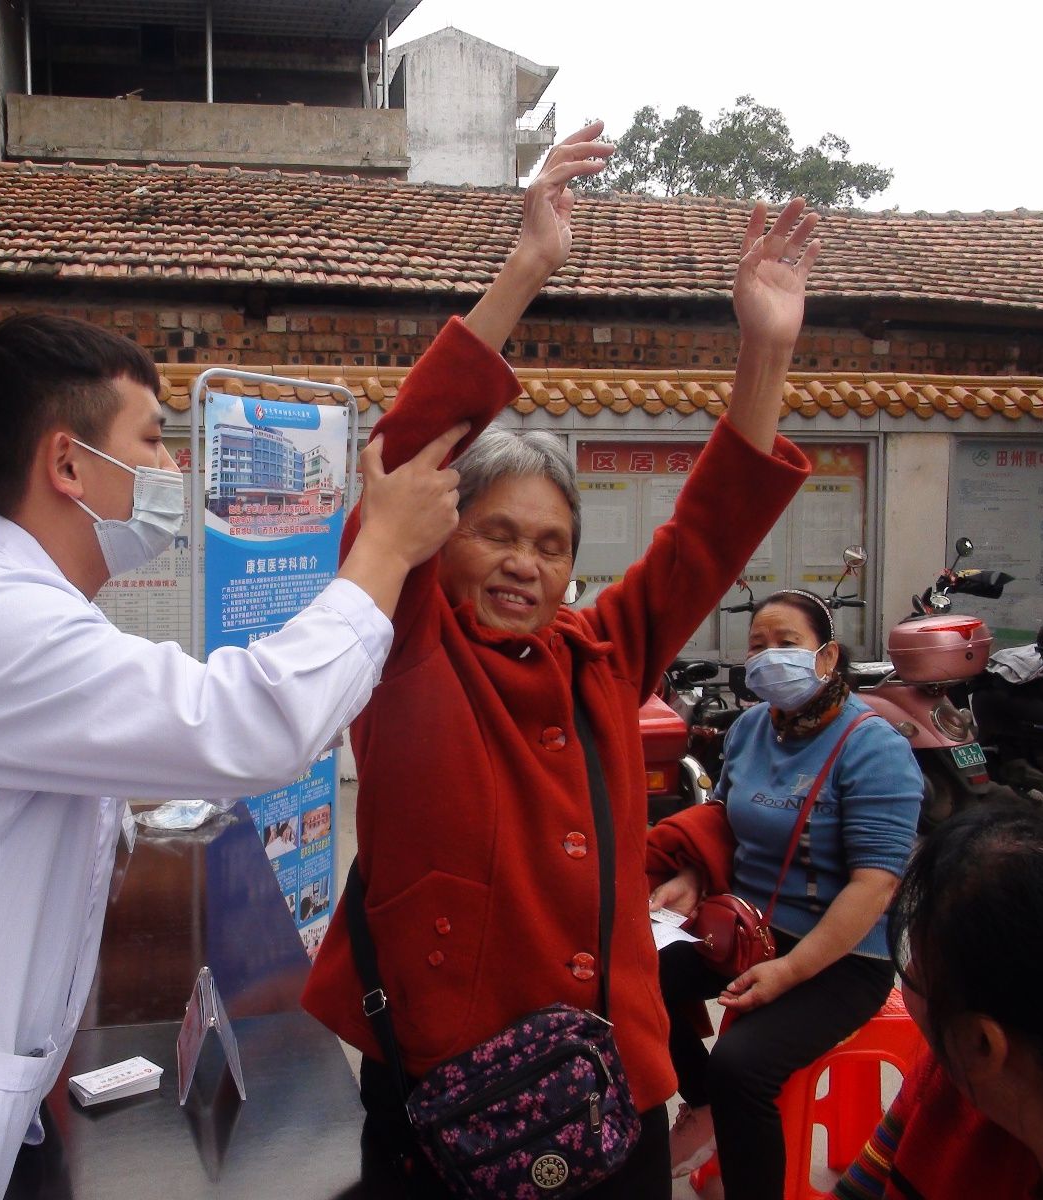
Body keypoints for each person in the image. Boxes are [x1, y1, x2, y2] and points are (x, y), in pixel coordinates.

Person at [0, 314, 468, 1199]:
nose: (172, 471)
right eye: (153, 441)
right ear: (68, 466)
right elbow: (250, 723)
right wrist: (386, 548)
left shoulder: (10, 600)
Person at [301, 120, 819, 1199]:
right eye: (495, 533)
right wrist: (527, 266)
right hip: (452, 1098)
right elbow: (403, 455)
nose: (522, 565)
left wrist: (764, 348)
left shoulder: (599, 654)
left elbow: (708, 536)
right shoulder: (399, 647)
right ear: (440, 540)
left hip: (604, 1096)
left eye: (549, 545)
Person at [648, 588, 922, 1198]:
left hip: (841, 957)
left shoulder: (876, 748)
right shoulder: (750, 728)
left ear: (827, 658)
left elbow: (875, 884)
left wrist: (792, 970)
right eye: (758, 646)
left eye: (788, 644)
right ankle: (703, 1103)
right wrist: (691, 878)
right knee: (629, 973)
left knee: (741, 1068)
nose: (770, 657)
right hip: (749, 931)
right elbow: (722, 817)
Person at [835, 805, 1043, 1200]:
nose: (911, 973)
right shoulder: (953, 1080)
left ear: (982, 1044)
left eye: (914, 970)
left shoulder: (967, 1077)